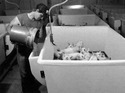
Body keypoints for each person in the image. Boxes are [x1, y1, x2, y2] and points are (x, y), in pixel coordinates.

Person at [8, 3, 49, 93]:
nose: (42, 18)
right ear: (36, 11)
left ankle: (34, 90)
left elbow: (41, 36)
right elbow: (9, 29)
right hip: (22, 50)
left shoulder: (41, 21)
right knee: (24, 73)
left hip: (33, 49)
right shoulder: (21, 17)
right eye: (41, 15)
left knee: (33, 72)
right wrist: (14, 36)